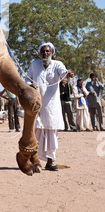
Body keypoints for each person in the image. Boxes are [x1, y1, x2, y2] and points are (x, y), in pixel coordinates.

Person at [26, 42, 74, 171]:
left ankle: (50, 162)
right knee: (36, 132)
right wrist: (30, 86)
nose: (45, 53)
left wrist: (68, 74)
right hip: (37, 105)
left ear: (52, 52)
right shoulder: (34, 65)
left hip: (52, 106)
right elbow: (27, 79)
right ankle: (34, 161)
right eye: (43, 51)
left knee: (52, 133)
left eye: (47, 51)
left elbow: (63, 73)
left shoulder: (57, 64)